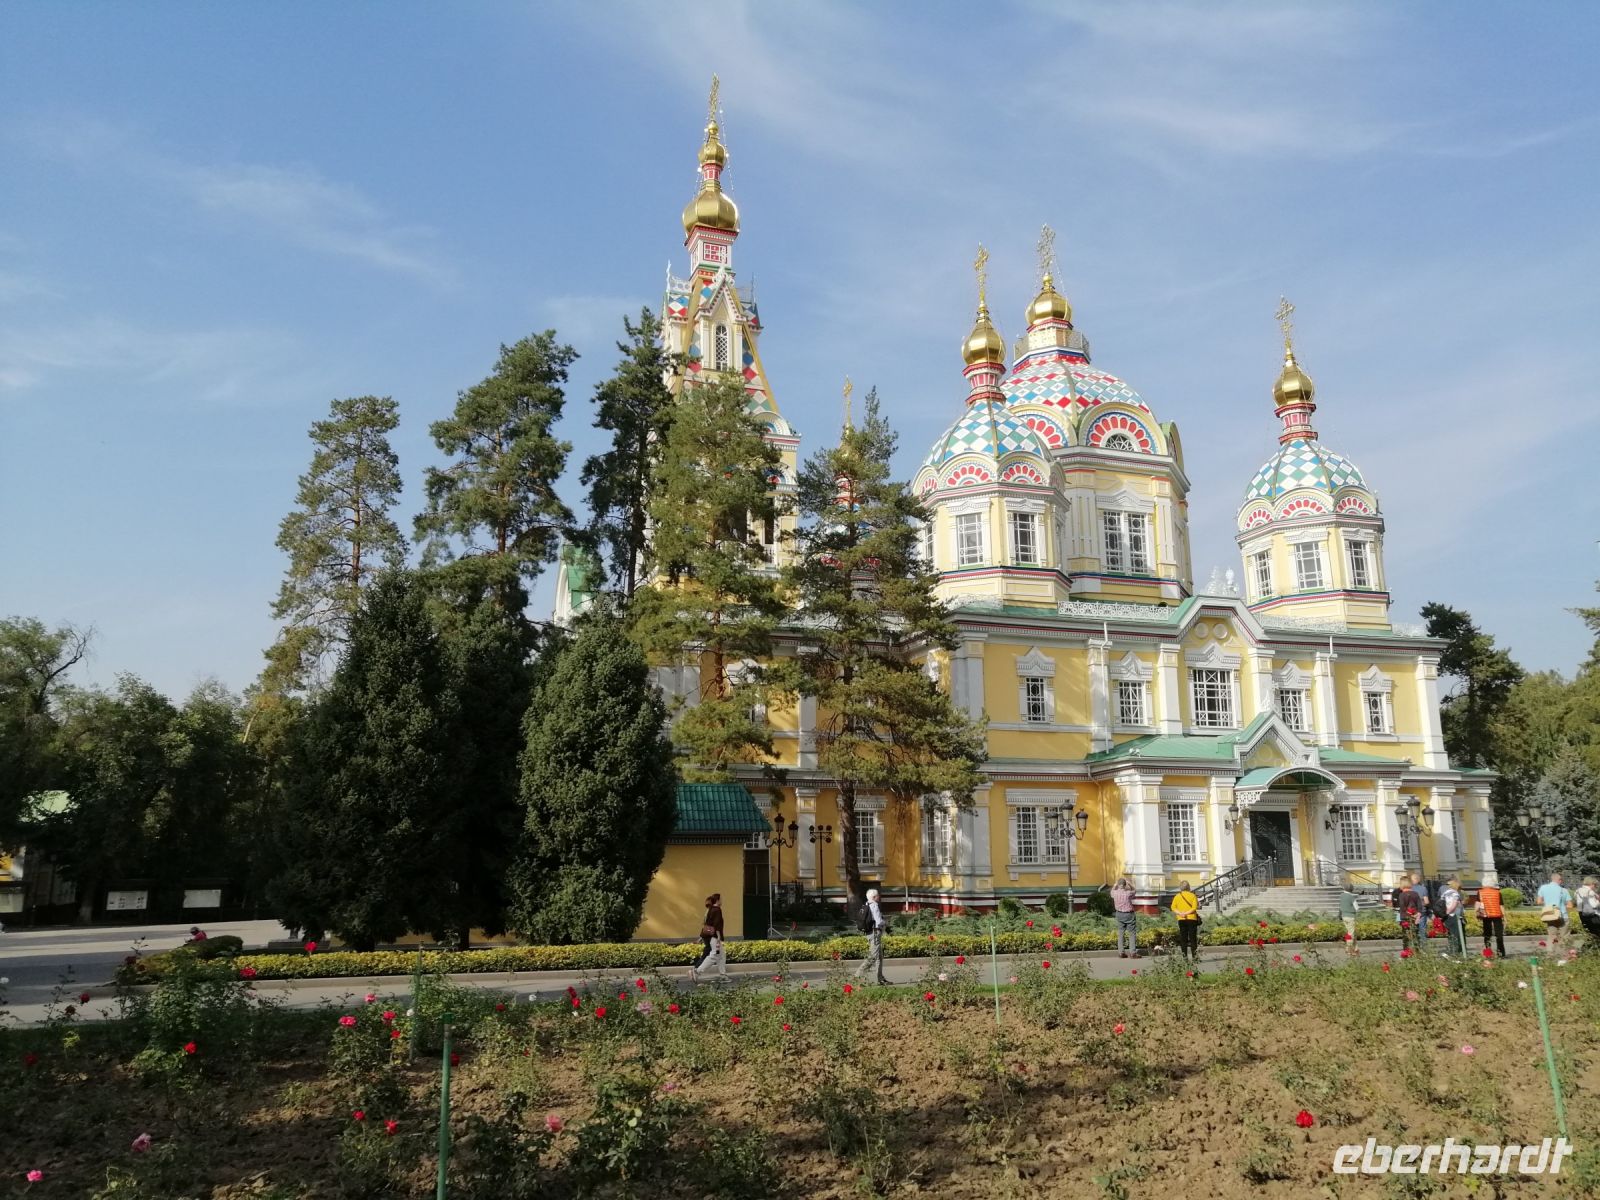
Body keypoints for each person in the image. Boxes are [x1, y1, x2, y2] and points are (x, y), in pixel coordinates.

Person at [854, 888, 888, 984]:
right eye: (877, 896)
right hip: (875, 933)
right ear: (874, 897)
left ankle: (880, 978)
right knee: (873, 957)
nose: (879, 897)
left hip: (869, 933)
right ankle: (857, 976)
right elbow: (879, 921)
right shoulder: (874, 905)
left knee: (879, 957)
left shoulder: (866, 904)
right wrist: (885, 922)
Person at [691, 893, 726, 982]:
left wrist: (701, 937)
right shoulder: (717, 910)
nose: (722, 901)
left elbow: (706, 925)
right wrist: (718, 936)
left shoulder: (710, 910)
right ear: (717, 900)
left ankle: (723, 975)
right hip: (715, 937)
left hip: (711, 937)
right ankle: (697, 972)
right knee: (714, 955)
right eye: (721, 899)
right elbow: (716, 924)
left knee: (721, 955)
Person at [1537, 872, 1573, 950]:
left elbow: (1539, 902)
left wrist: (1549, 904)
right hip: (1562, 916)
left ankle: (1550, 955)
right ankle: (1563, 956)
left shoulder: (1543, 888)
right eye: (1561, 880)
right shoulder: (1564, 890)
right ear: (1559, 880)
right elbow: (1570, 905)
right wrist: (1562, 905)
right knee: (1564, 937)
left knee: (1551, 936)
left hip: (1550, 916)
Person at [1170, 879, 1201, 962]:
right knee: (1193, 939)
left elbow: (1173, 907)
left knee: (1183, 938)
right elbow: (1194, 908)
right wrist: (1187, 913)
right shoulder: (1193, 896)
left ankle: (1185, 958)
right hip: (1191, 919)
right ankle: (1195, 958)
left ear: (1180, 887)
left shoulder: (1177, 896)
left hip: (1181, 919)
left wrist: (1181, 913)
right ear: (1189, 887)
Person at [1476, 882, 1506, 959]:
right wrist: (1504, 917)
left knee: (1487, 934)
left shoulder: (1480, 892)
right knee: (1499, 934)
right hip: (1497, 915)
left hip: (1485, 915)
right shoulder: (1497, 892)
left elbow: (1478, 904)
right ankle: (1501, 953)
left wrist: (1477, 913)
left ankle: (1488, 953)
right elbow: (1501, 905)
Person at [1110, 877, 1139, 958]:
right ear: (1125, 885)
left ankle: (1121, 952)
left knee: (1120, 933)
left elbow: (1111, 891)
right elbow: (1135, 891)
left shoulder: (1114, 893)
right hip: (1129, 914)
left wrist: (1115, 885)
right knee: (1132, 933)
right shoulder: (1128, 893)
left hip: (1119, 914)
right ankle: (1133, 953)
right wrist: (1130, 884)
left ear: (1118, 885)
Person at [1440, 876, 1466, 957]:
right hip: (1454, 916)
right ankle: (1455, 953)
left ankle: (1453, 951)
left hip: (1447, 917)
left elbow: (1442, 902)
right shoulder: (1455, 893)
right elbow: (1453, 905)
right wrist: (1448, 912)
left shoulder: (1446, 892)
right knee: (1456, 935)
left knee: (1451, 934)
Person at [1576, 876, 1600, 940]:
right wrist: (1598, 900)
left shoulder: (1578, 891)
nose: (1595, 886)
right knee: (1596, 934)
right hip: (1593, 915)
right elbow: (1594, 905)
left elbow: (1579, 905)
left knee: (1590, 934)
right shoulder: (1590, 892)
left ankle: (1589, 948)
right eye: (1595, 885)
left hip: (1582, 914)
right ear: (1591, 884)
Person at [1339, 885, 1360, 953]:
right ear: (1351, 890)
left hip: (1343, 916)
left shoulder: (1341, 896)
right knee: (1351, 933)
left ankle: (1356, 948)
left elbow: (1340, 906)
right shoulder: (1351, 897)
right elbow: (1357, 907)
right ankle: (1349, 948)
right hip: (1350, 916)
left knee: (1349, 932)